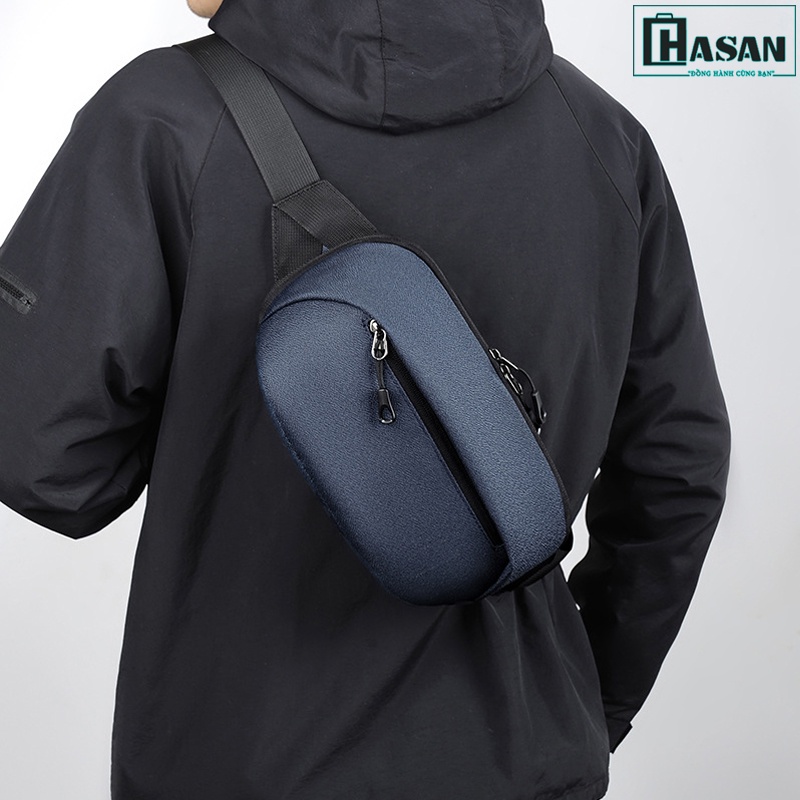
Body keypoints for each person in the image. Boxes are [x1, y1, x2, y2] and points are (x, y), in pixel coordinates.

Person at [0, 1, 730, 798]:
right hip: (525, 761)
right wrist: (585, 705)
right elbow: (679, 465)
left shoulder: (163, 119)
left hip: (232, 762)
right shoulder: (604, 136)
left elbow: (44, 464)